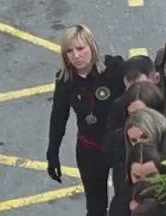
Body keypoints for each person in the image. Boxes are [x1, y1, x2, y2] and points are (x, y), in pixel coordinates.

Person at [46, 24, 126, 216]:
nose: (76, 56)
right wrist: (52, 154)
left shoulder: (115, 68)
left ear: (92, 46)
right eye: (69, 51)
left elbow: (139, 82)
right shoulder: (65, 81)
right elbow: (58, 118)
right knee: (96, 208)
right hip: (90, 149)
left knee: (122, 203)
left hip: (119, 147)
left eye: (80, 49)